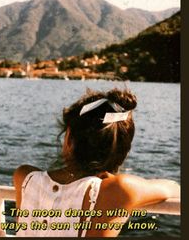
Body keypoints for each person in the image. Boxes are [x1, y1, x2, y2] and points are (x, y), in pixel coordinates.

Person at [13, 88, 180, 237]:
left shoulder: (24, 177)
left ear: (69, 139)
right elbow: (173, 187)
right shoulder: (119, 190)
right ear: (124, 152)